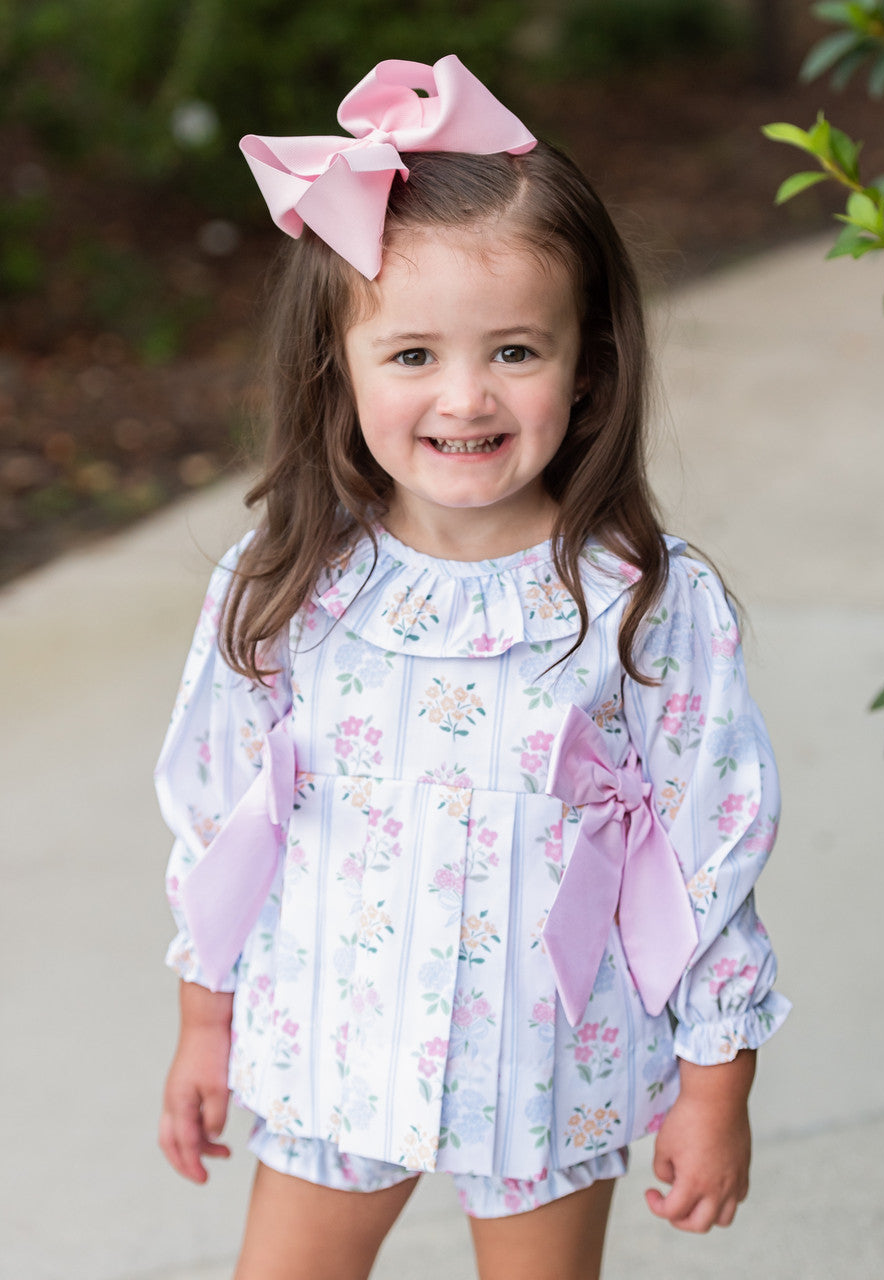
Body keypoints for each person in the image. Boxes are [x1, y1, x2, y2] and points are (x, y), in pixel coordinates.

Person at [155, 54, 789, 1280]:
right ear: (335, 366)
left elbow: (712, 847)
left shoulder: (641, 602)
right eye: (410, 356)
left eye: (513, 350)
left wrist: (716, 1082)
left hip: (548, 1057)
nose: (464, 396)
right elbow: (218, 817)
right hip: (335, 1035)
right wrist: (203, 1023)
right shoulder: (284, 582)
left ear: (588, 361)